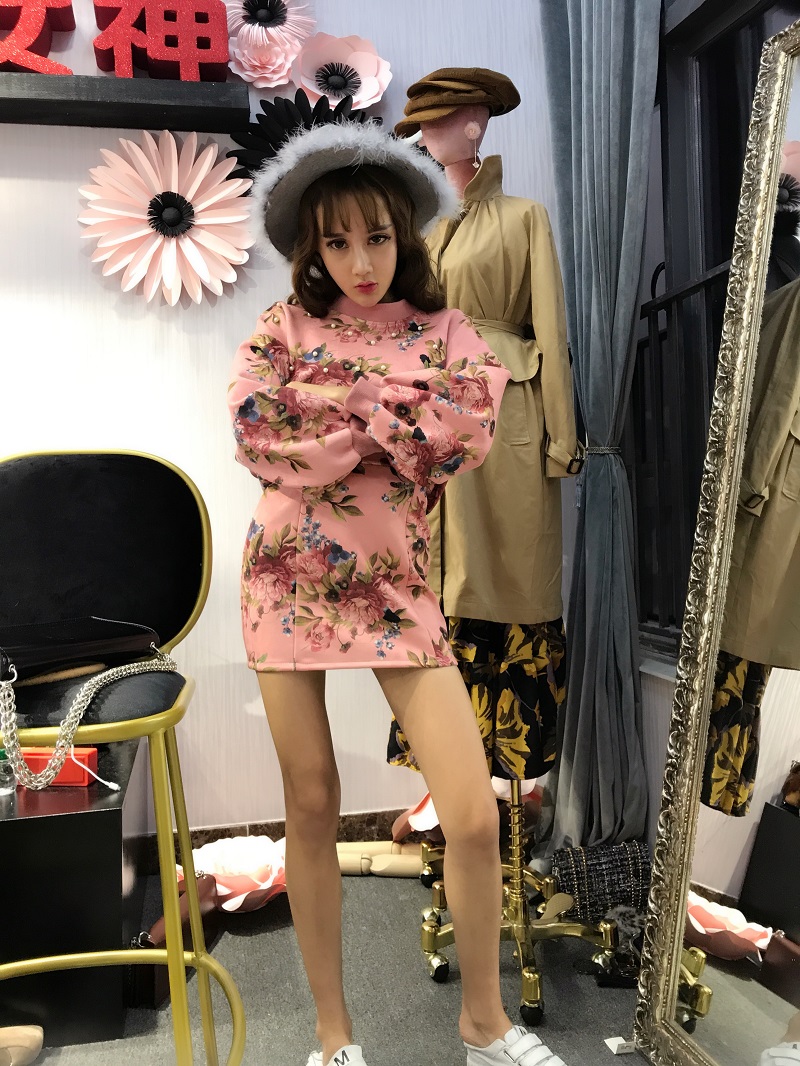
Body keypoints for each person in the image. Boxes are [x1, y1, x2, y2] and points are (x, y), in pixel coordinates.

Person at [228, 121, 569, 1066]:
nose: (360, 262)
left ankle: (483, 1022)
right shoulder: (283, 326)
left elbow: (460, 435)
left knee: (473, 813)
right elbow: (255, 430)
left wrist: (347, 406)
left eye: (376, 237)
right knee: (311, 802)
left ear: (404, 234)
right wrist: (378, 420)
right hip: (287, 577)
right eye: (336, 242)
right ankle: (334, 1036)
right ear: (311, 248)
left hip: (396, 587)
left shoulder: (448, 330)